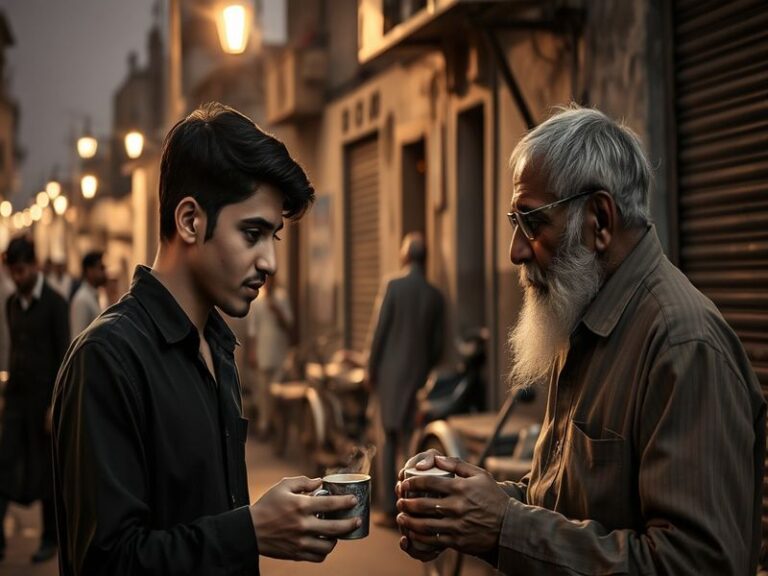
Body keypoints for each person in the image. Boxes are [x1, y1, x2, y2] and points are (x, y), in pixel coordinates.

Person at [395, 106, 765, 574]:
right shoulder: (587, 317)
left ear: (600, 219)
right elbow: (563, 504)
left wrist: (504, 526)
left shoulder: (683, 345)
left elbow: (696, 564)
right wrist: (463, 506)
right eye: (516, 222)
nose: (516, 250)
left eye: (533, 223)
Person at [52, 102, 359, 575]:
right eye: (252, 233)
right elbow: (106, 563)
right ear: (190, 221)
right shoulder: (108, 358)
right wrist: (251, 531)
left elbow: (202, 519)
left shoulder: (218, 347)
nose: (269, 263)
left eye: (273, 237)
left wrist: (270, 520)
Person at [0, 236, 70, 563]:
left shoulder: (57, 304)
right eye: (12, 272)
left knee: (46, 473)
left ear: (35, 266)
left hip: (44, 402)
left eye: (22, 271)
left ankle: (49, 539)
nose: (17, 278)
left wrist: (54, 405)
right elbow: (14, 348)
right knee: (4, 461)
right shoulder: (11, 304)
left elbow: (63, 356)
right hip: (16, 400)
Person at [368, 232, 444, 528]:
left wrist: (371, 368)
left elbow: (379, 332)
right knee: (413, 443)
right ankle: (414, 507)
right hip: (419, 376)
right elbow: (437, 345)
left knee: (389, 438)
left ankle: (389, 509)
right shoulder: (435, 295)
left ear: (405, 257)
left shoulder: (394, 286)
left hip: (390, 375)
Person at [246, 274, 293, 437]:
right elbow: (252, 330)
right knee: (263, 392)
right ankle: (264, 424)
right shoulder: (257, 300)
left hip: (279, 353)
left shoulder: (282, 298)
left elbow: (289, 324)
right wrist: (252, 352)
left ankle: (275, 424)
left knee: (277, 391)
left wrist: (278, 311)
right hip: (263, 353)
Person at [70, 250, 107, 339]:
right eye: (101, 268)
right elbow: (77, 339)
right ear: (89, 271)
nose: (104, 272)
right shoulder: (82, 299)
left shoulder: (96, 296)